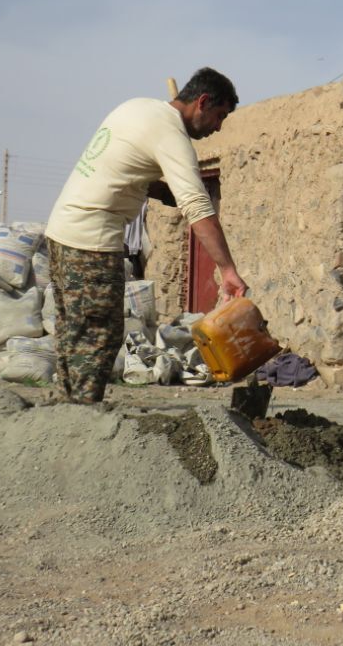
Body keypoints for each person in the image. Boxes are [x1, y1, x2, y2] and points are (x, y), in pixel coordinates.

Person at [45, 67, 247, 404]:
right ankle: (80, 416)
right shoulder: (170, 134)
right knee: (99, 336)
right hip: (90, 241)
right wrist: (227, 270)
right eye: (219, 116)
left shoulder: (138, 108)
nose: (218, 127)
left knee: (74, 332)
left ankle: (67, 408)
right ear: (202, 102)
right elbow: (197, 207)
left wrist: (162, 192)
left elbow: (122, 170)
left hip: (63, 231)